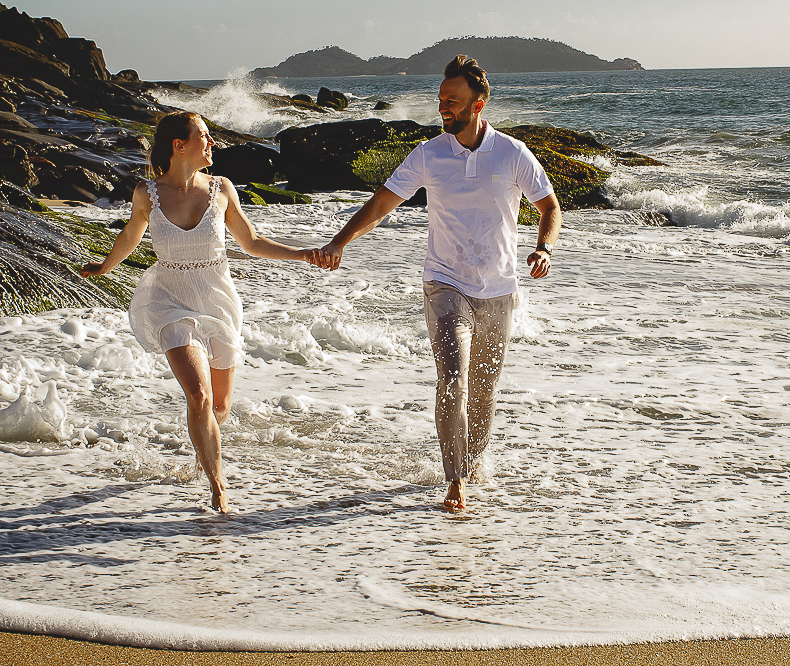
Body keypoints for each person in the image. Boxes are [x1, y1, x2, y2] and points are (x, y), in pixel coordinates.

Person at [315, 55, 561, 511]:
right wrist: (339, 241)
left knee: (484, 390)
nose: (443, 107)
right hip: (445, 283)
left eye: (453, 101)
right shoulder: (429, 154)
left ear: (479, 104)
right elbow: (381, 204)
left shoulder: (512, 153)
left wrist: (543, 247)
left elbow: (550, 207)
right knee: (453, 381)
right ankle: (455, 481)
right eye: (441, 99)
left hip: (499, 288)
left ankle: (471, 465)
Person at [82, 111, 321, 513]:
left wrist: (303, 255)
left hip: (217, 300)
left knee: (220, 406)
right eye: (205, 136)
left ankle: (202, 449)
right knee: (199, 394)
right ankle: (217, 485)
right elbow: (129, 236)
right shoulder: (148, 194)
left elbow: (252, 241)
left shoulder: (221, 189)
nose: (212, 143)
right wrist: (105, 266)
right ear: (180, 145)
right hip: (169, 300)